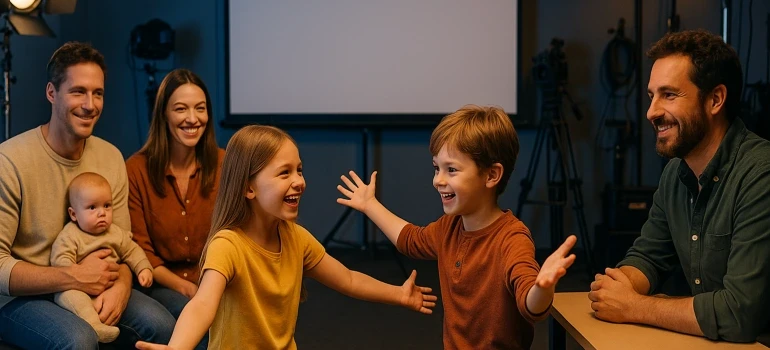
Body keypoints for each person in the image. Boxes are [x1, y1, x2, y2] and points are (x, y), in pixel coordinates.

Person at [135, 125, 438, 350]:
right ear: (248, 188)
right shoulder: (227, 245)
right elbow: (202, 304)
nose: (300, 182)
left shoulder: (297, 239)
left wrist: (398, 294)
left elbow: (347, 278)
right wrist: (177, 348)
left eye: (300, 170)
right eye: (284, 173)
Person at [335, 105, 577, 349]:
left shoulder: (512, 238)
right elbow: (410, 240)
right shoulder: (449, 227)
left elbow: (530, 306)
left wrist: (541, 288)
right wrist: (369, 205)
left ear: (492, 175)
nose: (438, 180)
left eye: (451, 170)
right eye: (436, 168)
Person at [589, 29, 770, 342]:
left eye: (669, 95)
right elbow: (649, 257)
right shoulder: (676, 173)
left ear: (715, 99)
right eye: (651, 95)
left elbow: (738, 314)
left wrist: (634, 306)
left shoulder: (760, 173)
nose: (651, 112)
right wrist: (619, 285)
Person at [0, 41, 174, 349]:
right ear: (52, 93)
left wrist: (121, 284)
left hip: (97, 281)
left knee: (162, 326)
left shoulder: (110, 157)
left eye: (98, 93)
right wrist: (73, 277)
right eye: (78, 91)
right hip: (19, 298)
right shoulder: (10, 161)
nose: (90, 104)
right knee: (79, 340)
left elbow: (121, 242)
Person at [126, 69, 223, 349]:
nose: (192, 119)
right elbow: (140, 249)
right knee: (195, 318)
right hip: (162, 283)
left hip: (215, 277)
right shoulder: (136, 170)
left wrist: (209, 286)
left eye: (200, 109)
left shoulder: (224, 163)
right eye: (180, 109)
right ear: (163, 115)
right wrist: (187, 288)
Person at [51, 172, 154, 343]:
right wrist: (81, 272)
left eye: (107, 206)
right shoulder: (70, 236)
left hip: (109, 286)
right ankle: (95, 326)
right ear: (74, 214)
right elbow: (60, 263)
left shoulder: (115, 233)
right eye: (92, 208)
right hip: (76, 287)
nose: (102, 213)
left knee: (158, 322)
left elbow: (132, 250)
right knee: (70, 296)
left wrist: (143, 268)